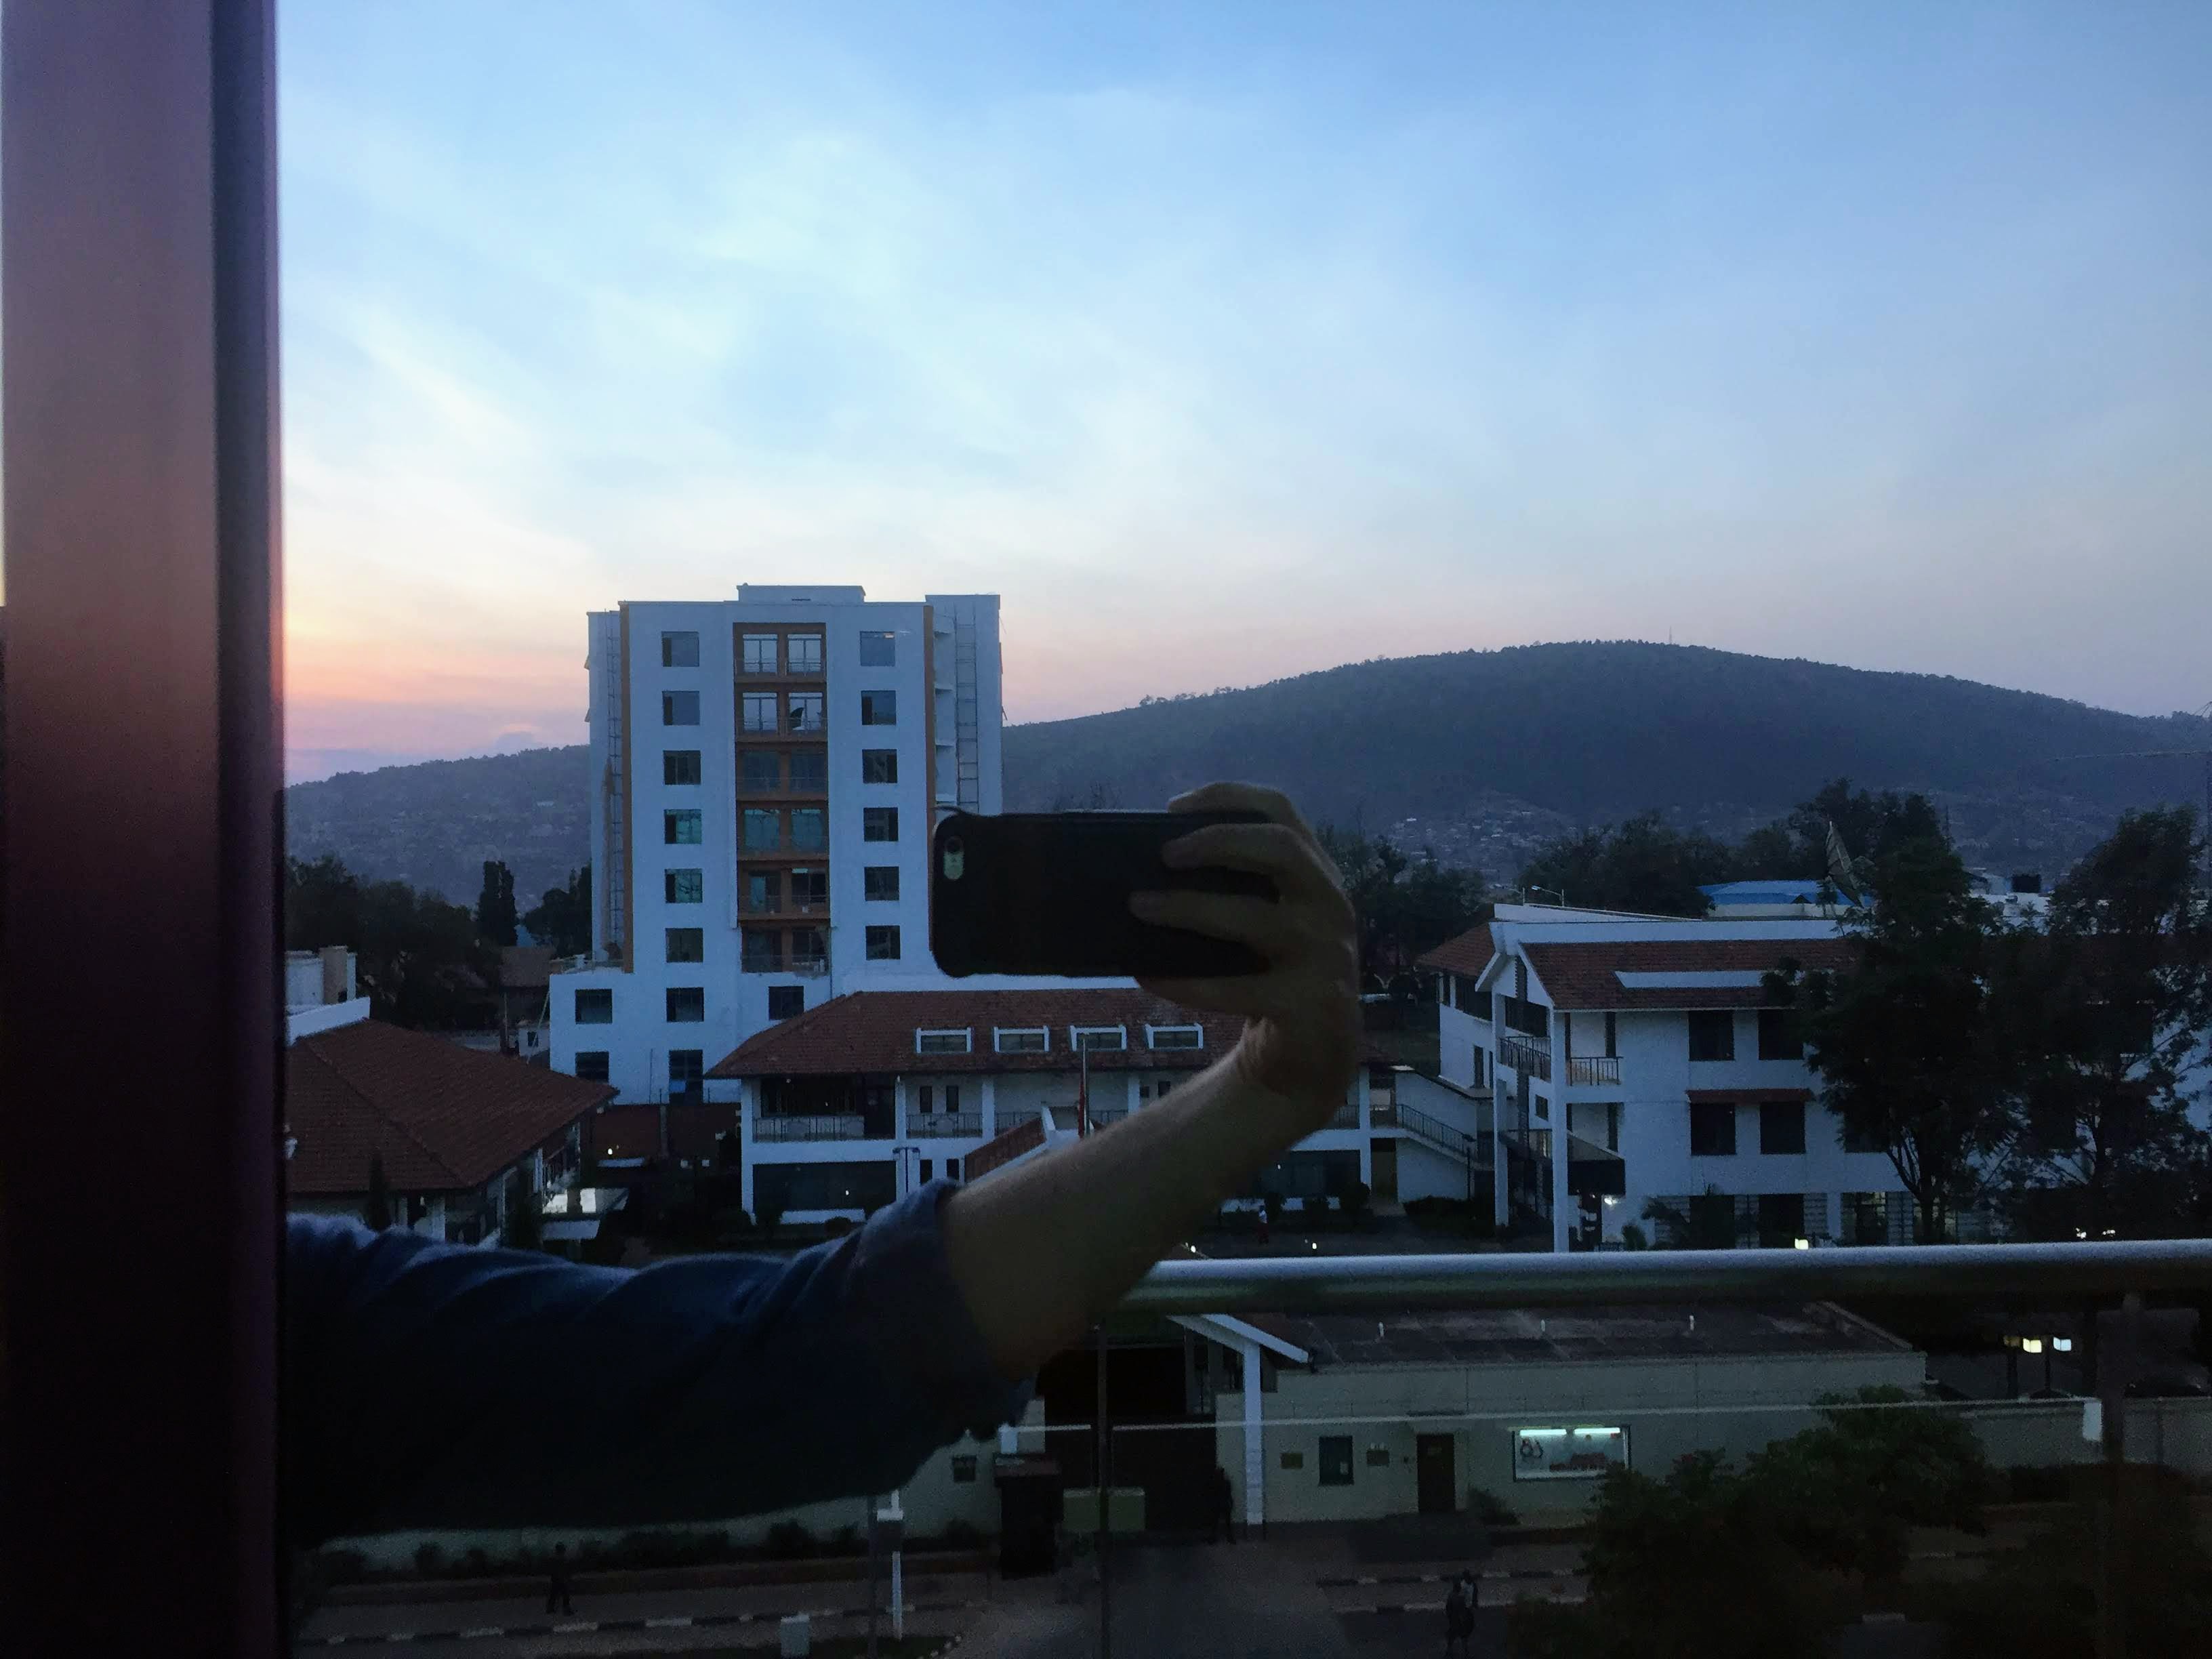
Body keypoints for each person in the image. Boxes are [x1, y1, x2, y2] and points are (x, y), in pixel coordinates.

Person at [284, 783, 1360, 1544]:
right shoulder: (290, 1329)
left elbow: (791, 1359)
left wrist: (1264, 1091)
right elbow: (788, 1362)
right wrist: (1261, 1096)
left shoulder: (280, 1327)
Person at [1443, 1571, 1475, 1655]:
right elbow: (1464, 1609)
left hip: (1454, 1619)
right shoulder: (1461, 1597)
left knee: (1452, 1636)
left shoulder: (1451, 1596)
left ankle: (1449, 1650)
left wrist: (1449, 1616)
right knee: (1463, 1636)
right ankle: (1465, 1651)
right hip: (1459, 1619)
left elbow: (1448, 1608)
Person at [545, 1542, 573, 1617]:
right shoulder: (564, 1559)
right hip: (562, 1580)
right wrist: (568, 1578)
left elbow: (551, 1570)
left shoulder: (553, 1559)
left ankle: (550, 1608)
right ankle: (566, 1610)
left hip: (555, 1579)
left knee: (553, 1595)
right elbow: (567, 1570)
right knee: (565, 1595)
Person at [1212, 1464, 1236, 1543]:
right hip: (1224, 1504)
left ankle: (1214, 1539)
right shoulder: (1226, 1483)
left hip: (1218, 1504)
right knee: (1227, 1523)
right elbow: (1229, 1495)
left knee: (1216, 1522)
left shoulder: (1215, 1483)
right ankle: (1230, 1538)